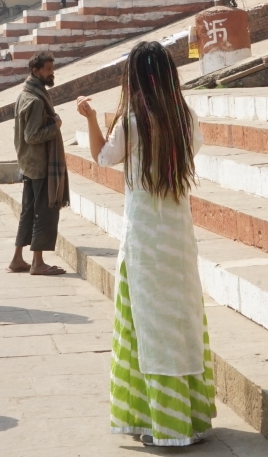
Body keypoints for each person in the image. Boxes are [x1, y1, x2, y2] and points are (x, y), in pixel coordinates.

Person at [78, 40, 215, 447]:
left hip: (143, 239)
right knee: (181, 322)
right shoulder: (183, 118)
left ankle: (162, 424)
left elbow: (104, 157)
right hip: (177, 238)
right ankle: (189, 418)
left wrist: (89, 117)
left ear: (134, 78)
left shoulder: (133, 121)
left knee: (147, 327)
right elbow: (196, 146)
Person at [9, 52, 67, 277]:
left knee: (28, 212)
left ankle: (17, 258)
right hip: (40, 165)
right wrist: (56, 126)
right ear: (35, 71)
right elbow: (32, 135)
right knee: (43, 213)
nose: (51, 73)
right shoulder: (33, 100)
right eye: (47, 69)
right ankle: (38, 262)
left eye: (52, 69)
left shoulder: (28, 93)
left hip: (30, 164)